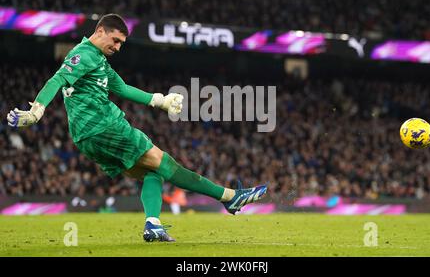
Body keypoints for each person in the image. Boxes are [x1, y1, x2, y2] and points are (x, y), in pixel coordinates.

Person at [6, 14, 267, 242]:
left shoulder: (99, 61)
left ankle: (153, 224)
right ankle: (229, 196)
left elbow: (122, 88)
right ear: (100, 31)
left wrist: (159, 100)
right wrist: (36, 111)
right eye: (115, 40)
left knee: (152, 174)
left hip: (86, 139)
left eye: (121, 43)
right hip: (105, 126)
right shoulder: (83, 54)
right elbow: (58, 79)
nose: (118, 47)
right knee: (166, 164)